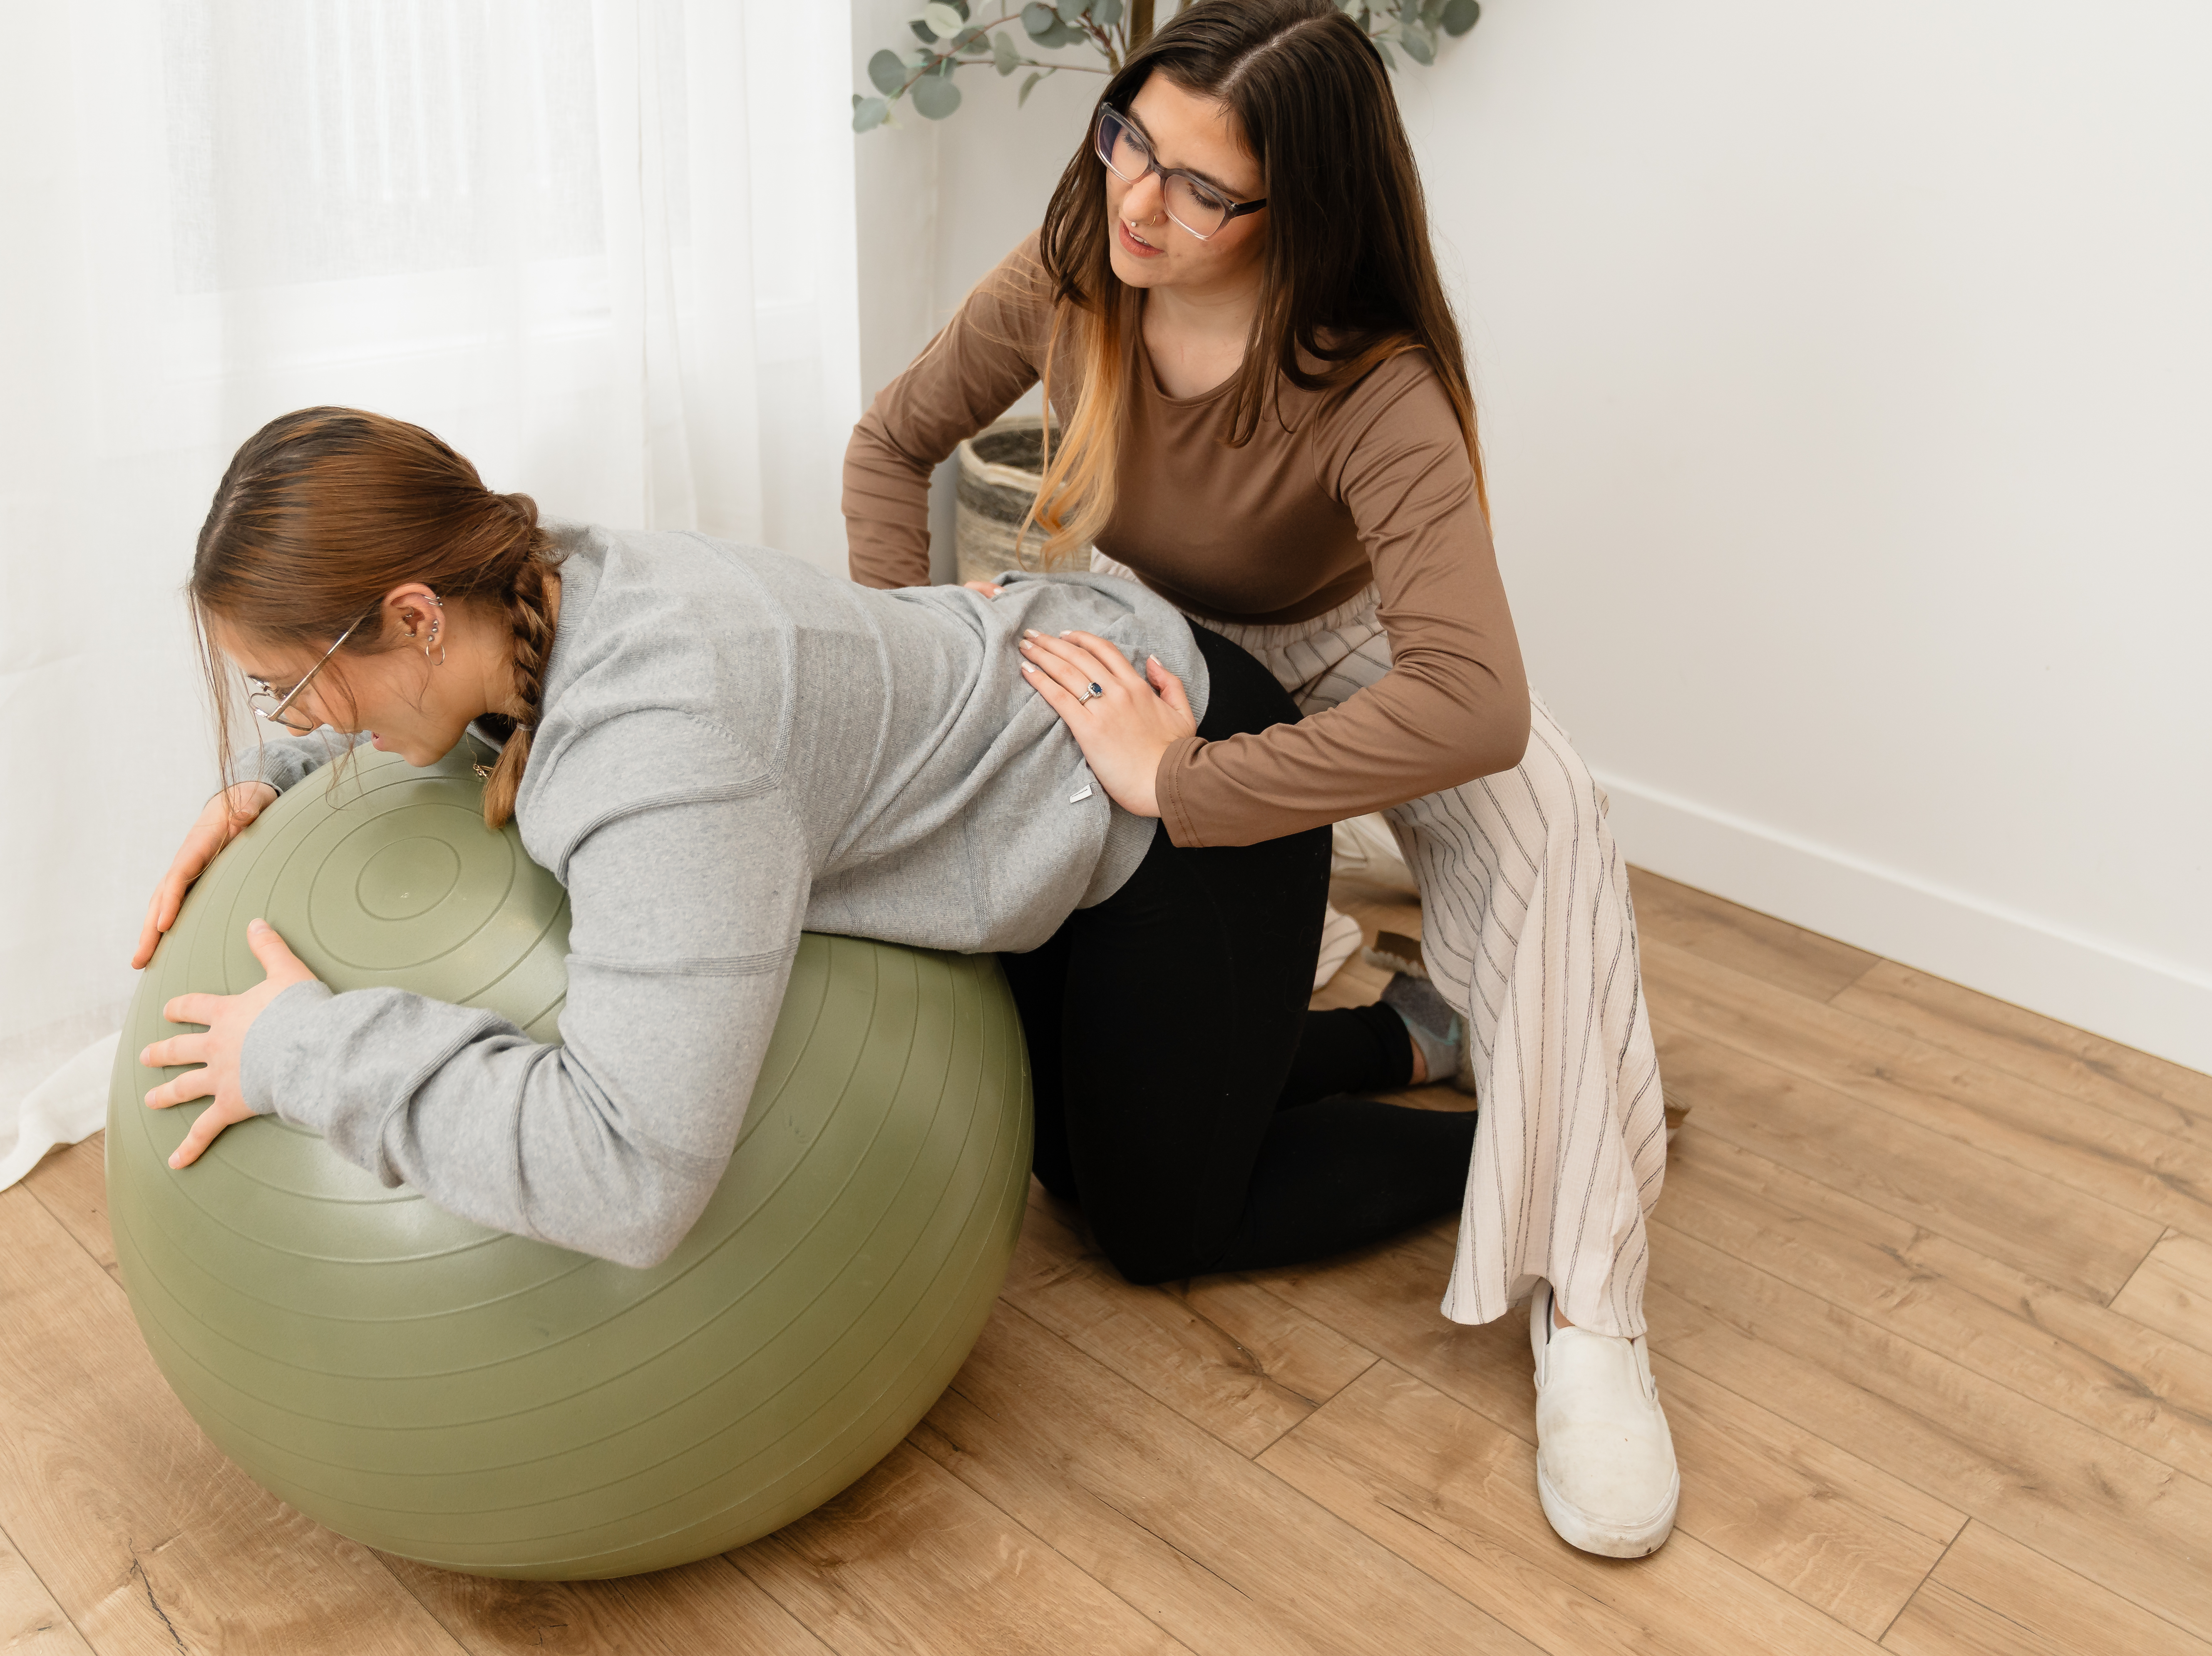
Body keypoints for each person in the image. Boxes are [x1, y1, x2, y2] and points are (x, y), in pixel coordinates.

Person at [842, 0, 1677, 1558]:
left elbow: (1474, 701)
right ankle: (1413, 1042)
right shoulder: (1073, 274)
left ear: (1302, 209)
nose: (1137, 202)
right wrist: (913, 636)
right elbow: (890, 449)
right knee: (1117, 1125)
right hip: (1160, 636)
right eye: (1128, 141)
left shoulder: (1370, 379)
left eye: (1199, 188)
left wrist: (1198, 782)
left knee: (1559, 827)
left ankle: (1592, 1308)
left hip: (1352, 649)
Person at [131, 405, 1472, 1294]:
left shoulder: (664, 753)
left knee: (1160, 1228)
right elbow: (457, 719)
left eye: (291, 688)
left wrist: (301, 1053)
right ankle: (1404, 1035)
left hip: (1179, 789)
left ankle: (1504, 1143)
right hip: (1041, 767)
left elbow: (630, 1176)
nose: (300, 719)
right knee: (1071, 1144)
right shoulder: (541, 577)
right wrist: (279, 777)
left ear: (416, 612)